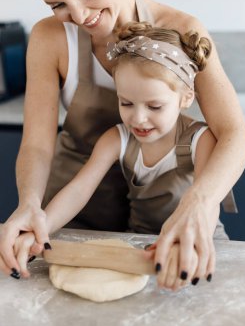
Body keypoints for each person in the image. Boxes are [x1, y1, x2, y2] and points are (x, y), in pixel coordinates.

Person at [0, 0, 245, 286]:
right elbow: (36, 144)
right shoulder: (50, 38)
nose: (78, 14)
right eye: (57, 5)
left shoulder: (182, 29)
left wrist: (200, 203)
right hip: (74, 216)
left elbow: (234, 134)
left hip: (162, 217)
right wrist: (29, 203)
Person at [11, 21, 218, 290]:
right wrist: (39, 228)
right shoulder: (117, 138)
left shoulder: (200, 140)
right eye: (126, 103)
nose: (139, 118)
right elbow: (78, 190)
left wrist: (189, 245)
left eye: (154, 106)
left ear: (186, 97)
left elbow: (208, 205)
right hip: (141, 246)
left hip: (197, 245)